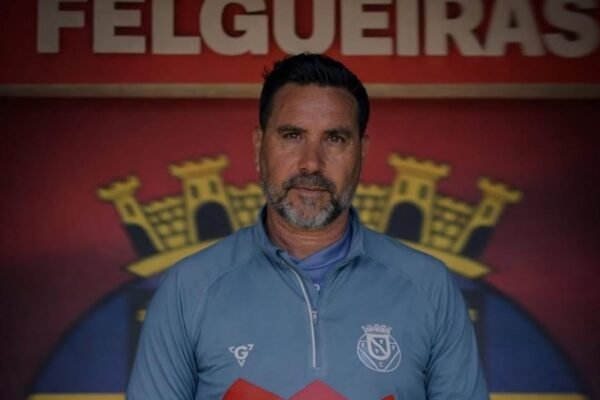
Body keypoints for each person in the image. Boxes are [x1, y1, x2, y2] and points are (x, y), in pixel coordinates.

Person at [127, 53, 489, 399]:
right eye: (292, 135)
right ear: (259, 146)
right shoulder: (189, 289)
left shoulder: (429, 286)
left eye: (335, 139)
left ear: (362, 151)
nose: (311, 163)